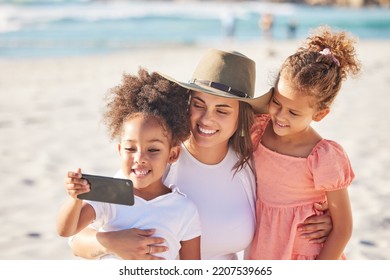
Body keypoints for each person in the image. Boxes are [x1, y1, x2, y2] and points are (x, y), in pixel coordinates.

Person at [66, 49, 333, 260]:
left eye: (222, 110)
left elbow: (286, 203)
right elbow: (75, 239)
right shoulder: (158, 159)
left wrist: (324, 221)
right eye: (198, 104)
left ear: (241, 115)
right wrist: (109, 243)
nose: (207, 119)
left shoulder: (250, 166)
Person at [57, 69, 201, 260]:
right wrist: (74, 199)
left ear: (172, 154)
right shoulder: (109, 194)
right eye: (130, 149)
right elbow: (66, 231)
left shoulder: (184, 209)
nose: (140, 158)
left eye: (153, 150)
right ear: (119, 150)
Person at [249, 26, 361, 260]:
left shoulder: (322, 156)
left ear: (319, 115)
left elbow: (343, 228)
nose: (280, 116)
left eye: (293, 112)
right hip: (266, 248)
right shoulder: (259, 129)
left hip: (307, 254)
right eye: (277, 103)